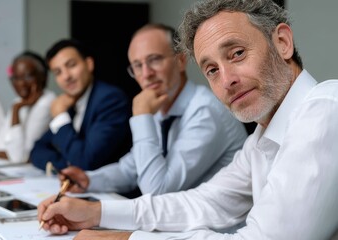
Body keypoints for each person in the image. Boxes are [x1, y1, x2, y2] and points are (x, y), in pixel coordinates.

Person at [37, 0, 338, 239]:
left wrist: (123, 239)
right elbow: (203, 202)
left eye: (236, 53)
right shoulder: (260, 139)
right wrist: (96, 212)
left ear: (283, 42)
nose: (226, 80)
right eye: (211, 70)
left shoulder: (324, 111)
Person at [58, 23, 247, 198]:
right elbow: (130, 169)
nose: (146, 74)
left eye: (154, 60)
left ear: (181, 60)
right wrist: (89, 180)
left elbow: (157, 190)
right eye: (138, 66)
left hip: (220, 231)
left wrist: (142, 116)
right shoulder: (160, 107)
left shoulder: (205, 111)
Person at [30, 39, 132, 171]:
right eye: (58, 72)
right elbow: (37, 151)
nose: (66, 76)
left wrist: (60, 117)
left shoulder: (110, 100)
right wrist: (67, 165)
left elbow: (85, 162)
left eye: (71, 65)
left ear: (89, 64)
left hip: (110, 189)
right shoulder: (70, 101)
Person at [0, 51, 56, 163]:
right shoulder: (19, 101)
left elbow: (19, 157)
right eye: (16, 78)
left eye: (28, 77)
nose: (21, 84)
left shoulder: (47, 102)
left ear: (43, 77)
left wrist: (16, 109)